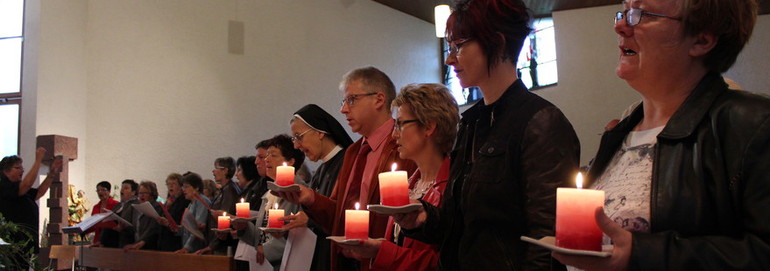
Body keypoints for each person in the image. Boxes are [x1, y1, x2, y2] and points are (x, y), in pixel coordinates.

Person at [553, 0, 769, 270]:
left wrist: (642, 254)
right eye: (624, 11)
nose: (620, 26)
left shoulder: (753, 124)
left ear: (701, 41)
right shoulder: (621, 133)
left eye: (640, 14)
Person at [394, 1, 581, 270]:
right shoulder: (471, 123)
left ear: (498, 43)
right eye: (450, 48)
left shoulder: (541, 121)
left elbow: (546, 241)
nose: (449, 59)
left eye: (459, 46)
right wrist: (423, 218)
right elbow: (461, 227)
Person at [274, 67, 417, 271]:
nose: (343, 109)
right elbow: (340, 219)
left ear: (378, 100)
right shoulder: (353, 152)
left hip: (383, 262)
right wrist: (310, 198)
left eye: (351, 100)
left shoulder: (402, 145)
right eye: (344, 102)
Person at [340, 83, 459, 270]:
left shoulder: (454, 187)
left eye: (400, 124)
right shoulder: (409, 183)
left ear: (428, 127)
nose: (394, 134)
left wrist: (383, 252)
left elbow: (447, 261)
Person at [282, 103, 353, 271]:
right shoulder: (321, 169)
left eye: (299, 137)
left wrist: (310, 219)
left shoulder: (348, 163)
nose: (296, 146)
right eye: (294, 139)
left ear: (320, 132)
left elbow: (345, 215)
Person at [233, 134, 305, 270]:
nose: (267, 160)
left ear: (290, 162)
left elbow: (298, 234)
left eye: (272, 155)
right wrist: (244, 228)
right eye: (266, 155)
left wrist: (266, 250)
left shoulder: (298, 191)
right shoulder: (271, 192)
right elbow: (261, 235)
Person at [0, 147, 62, 268]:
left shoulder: (20, 188)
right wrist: (38, 159)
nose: (22, 170)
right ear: (5, 172)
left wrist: (52, 173)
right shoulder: (4, 187)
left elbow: (39, 193)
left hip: (25, 244)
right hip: (13, 244)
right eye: (18, 168)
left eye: (22, 167)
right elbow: (27, 184)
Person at [202, 157, 241, 255]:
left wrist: (213, 245)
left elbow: (224, 220)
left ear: (225, 171)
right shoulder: (224, 189)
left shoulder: (229, 190)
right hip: (218, 243)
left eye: (216, 168)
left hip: (222, 245)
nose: (213, 171)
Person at [175, 172, 212, 254]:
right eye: (183, 187)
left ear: (196, 188)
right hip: (191, 249)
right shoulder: (191, 204)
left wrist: (187, 247)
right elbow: (188, 228)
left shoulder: (202, 201)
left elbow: (197, 230)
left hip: (197, 250)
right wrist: (176, 228)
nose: (183, 189)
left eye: (186, 187)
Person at [123, 180, 164, 250]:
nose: (141, 195)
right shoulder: (136, 207)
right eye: (140, 193)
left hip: (150, 246)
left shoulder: (157, 207)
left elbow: (153, 228)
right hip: (135, 245)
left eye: (145, 193)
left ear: (152, 194)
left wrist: (141, 242)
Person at [156, 173, 191, 251]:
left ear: (180, 186)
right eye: (168, 184)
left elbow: (180, 220)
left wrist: (167, 222)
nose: (170, 186)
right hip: (165, 240)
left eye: (173, 184)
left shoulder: (184, 201)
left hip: (176, 241)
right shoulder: (168, 201)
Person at [101, 179, 139, 248]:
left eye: (126, 188)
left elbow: (137, 227)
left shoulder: (136, 205)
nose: (122, 190)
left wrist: (124, 227)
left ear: (133, 192)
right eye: (122, 188)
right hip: (112, 242)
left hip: (127, 242)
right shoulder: (118, 205)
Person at [85, 181, 119, 246]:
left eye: (103, 190)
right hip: (97, 240)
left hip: (111, 240)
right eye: (98, 190)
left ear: (109, 191)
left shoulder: (116, 204)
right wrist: (82, 228)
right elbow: (93, 224)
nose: (100, 192)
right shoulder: (95, 207)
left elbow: (116, 223)